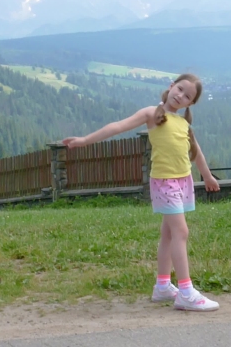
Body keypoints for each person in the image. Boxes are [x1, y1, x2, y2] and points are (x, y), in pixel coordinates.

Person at [62, 73, 221, 312]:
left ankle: (163, 286)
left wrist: (207, 176)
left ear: (190, 103)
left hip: (182, 182)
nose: (180, 96)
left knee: (168, 234)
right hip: (165, 183)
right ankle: (186, 292)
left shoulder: (184, 124)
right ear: (171, 86)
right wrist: (85, 140)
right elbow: (118, 126)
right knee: (181, 231)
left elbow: (195, 152)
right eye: (179, 89)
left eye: (187, 96)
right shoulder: (151, 114)